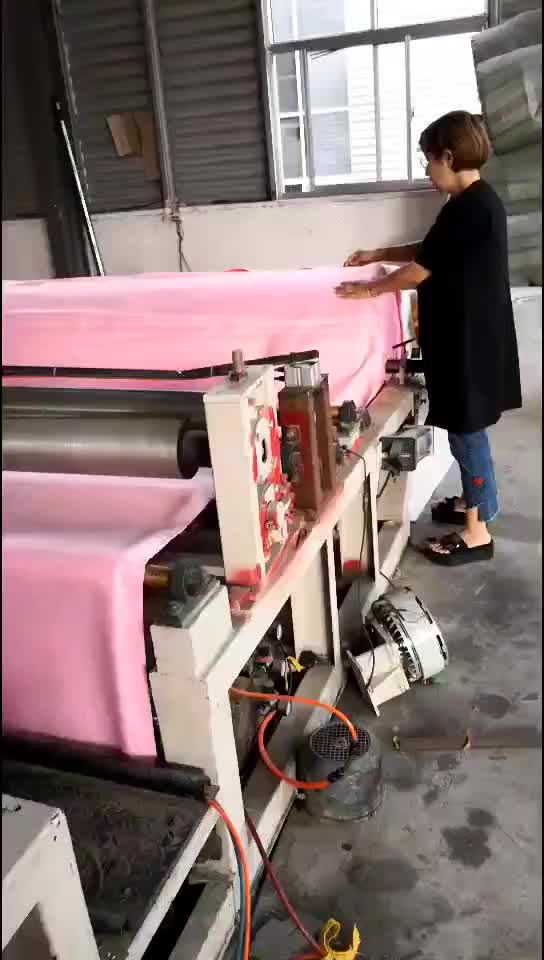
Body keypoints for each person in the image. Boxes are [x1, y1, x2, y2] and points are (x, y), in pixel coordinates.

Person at [336, 111, 522, 567]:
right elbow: (432, 248)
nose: (427, 170)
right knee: (469, 429)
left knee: (466, 432)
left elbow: (421, 270)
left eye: (429, 161)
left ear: (449, 157)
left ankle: (476, 533)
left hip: (467, 342)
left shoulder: (469, 209)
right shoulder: (474, 202)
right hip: (473, 335)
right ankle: (480, 502)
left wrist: (369, 290)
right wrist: (378, 255)